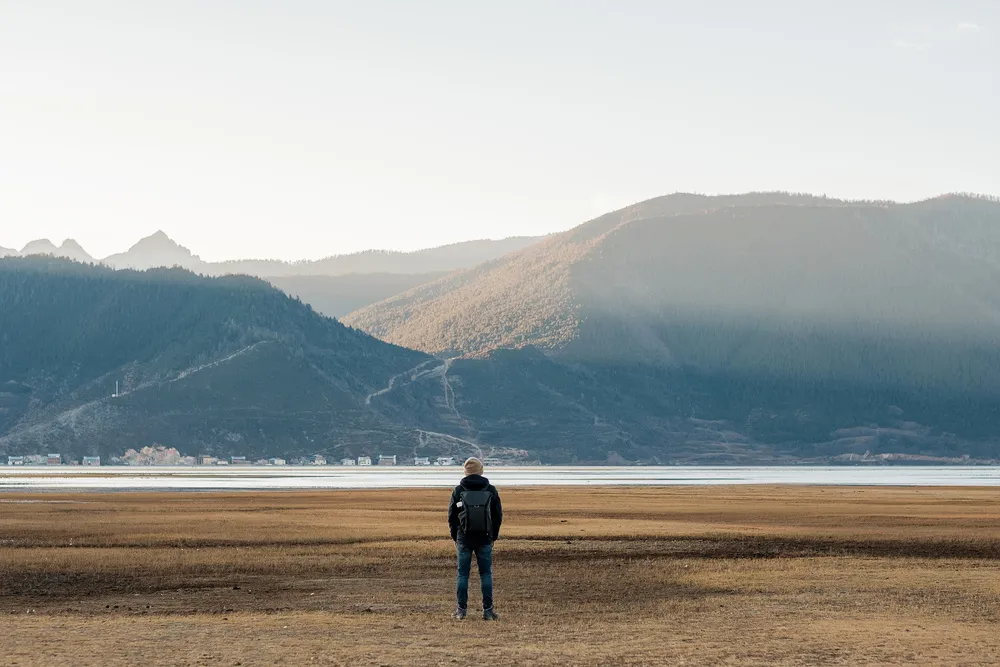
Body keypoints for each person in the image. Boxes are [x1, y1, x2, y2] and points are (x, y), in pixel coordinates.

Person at [448, 456, 503, 620]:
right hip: (485, 537)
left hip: (464, 538)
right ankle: (488, 610)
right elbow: (497, 515)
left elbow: (451, 517)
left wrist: (456, 536)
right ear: (481, 471)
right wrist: (493, 536)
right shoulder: (490, 490)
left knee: (462, 574)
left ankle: (461, 610)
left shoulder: (458, 490)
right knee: (485, 574)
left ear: (466, 472)